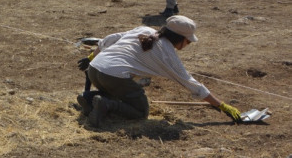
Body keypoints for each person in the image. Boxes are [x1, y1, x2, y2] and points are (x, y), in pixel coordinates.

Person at [77, 16, 241, 128]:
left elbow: (110, 39)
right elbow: (192, 84)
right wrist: (223, 106)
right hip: (113, 77)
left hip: (94, 69)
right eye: (188, 41)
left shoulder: (144, 29)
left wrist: (91, 57)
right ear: (180, 39)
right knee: (141, 111)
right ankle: (106, 104)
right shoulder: (168, 55)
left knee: (121, 91)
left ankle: (89, 98)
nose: (188, 44)